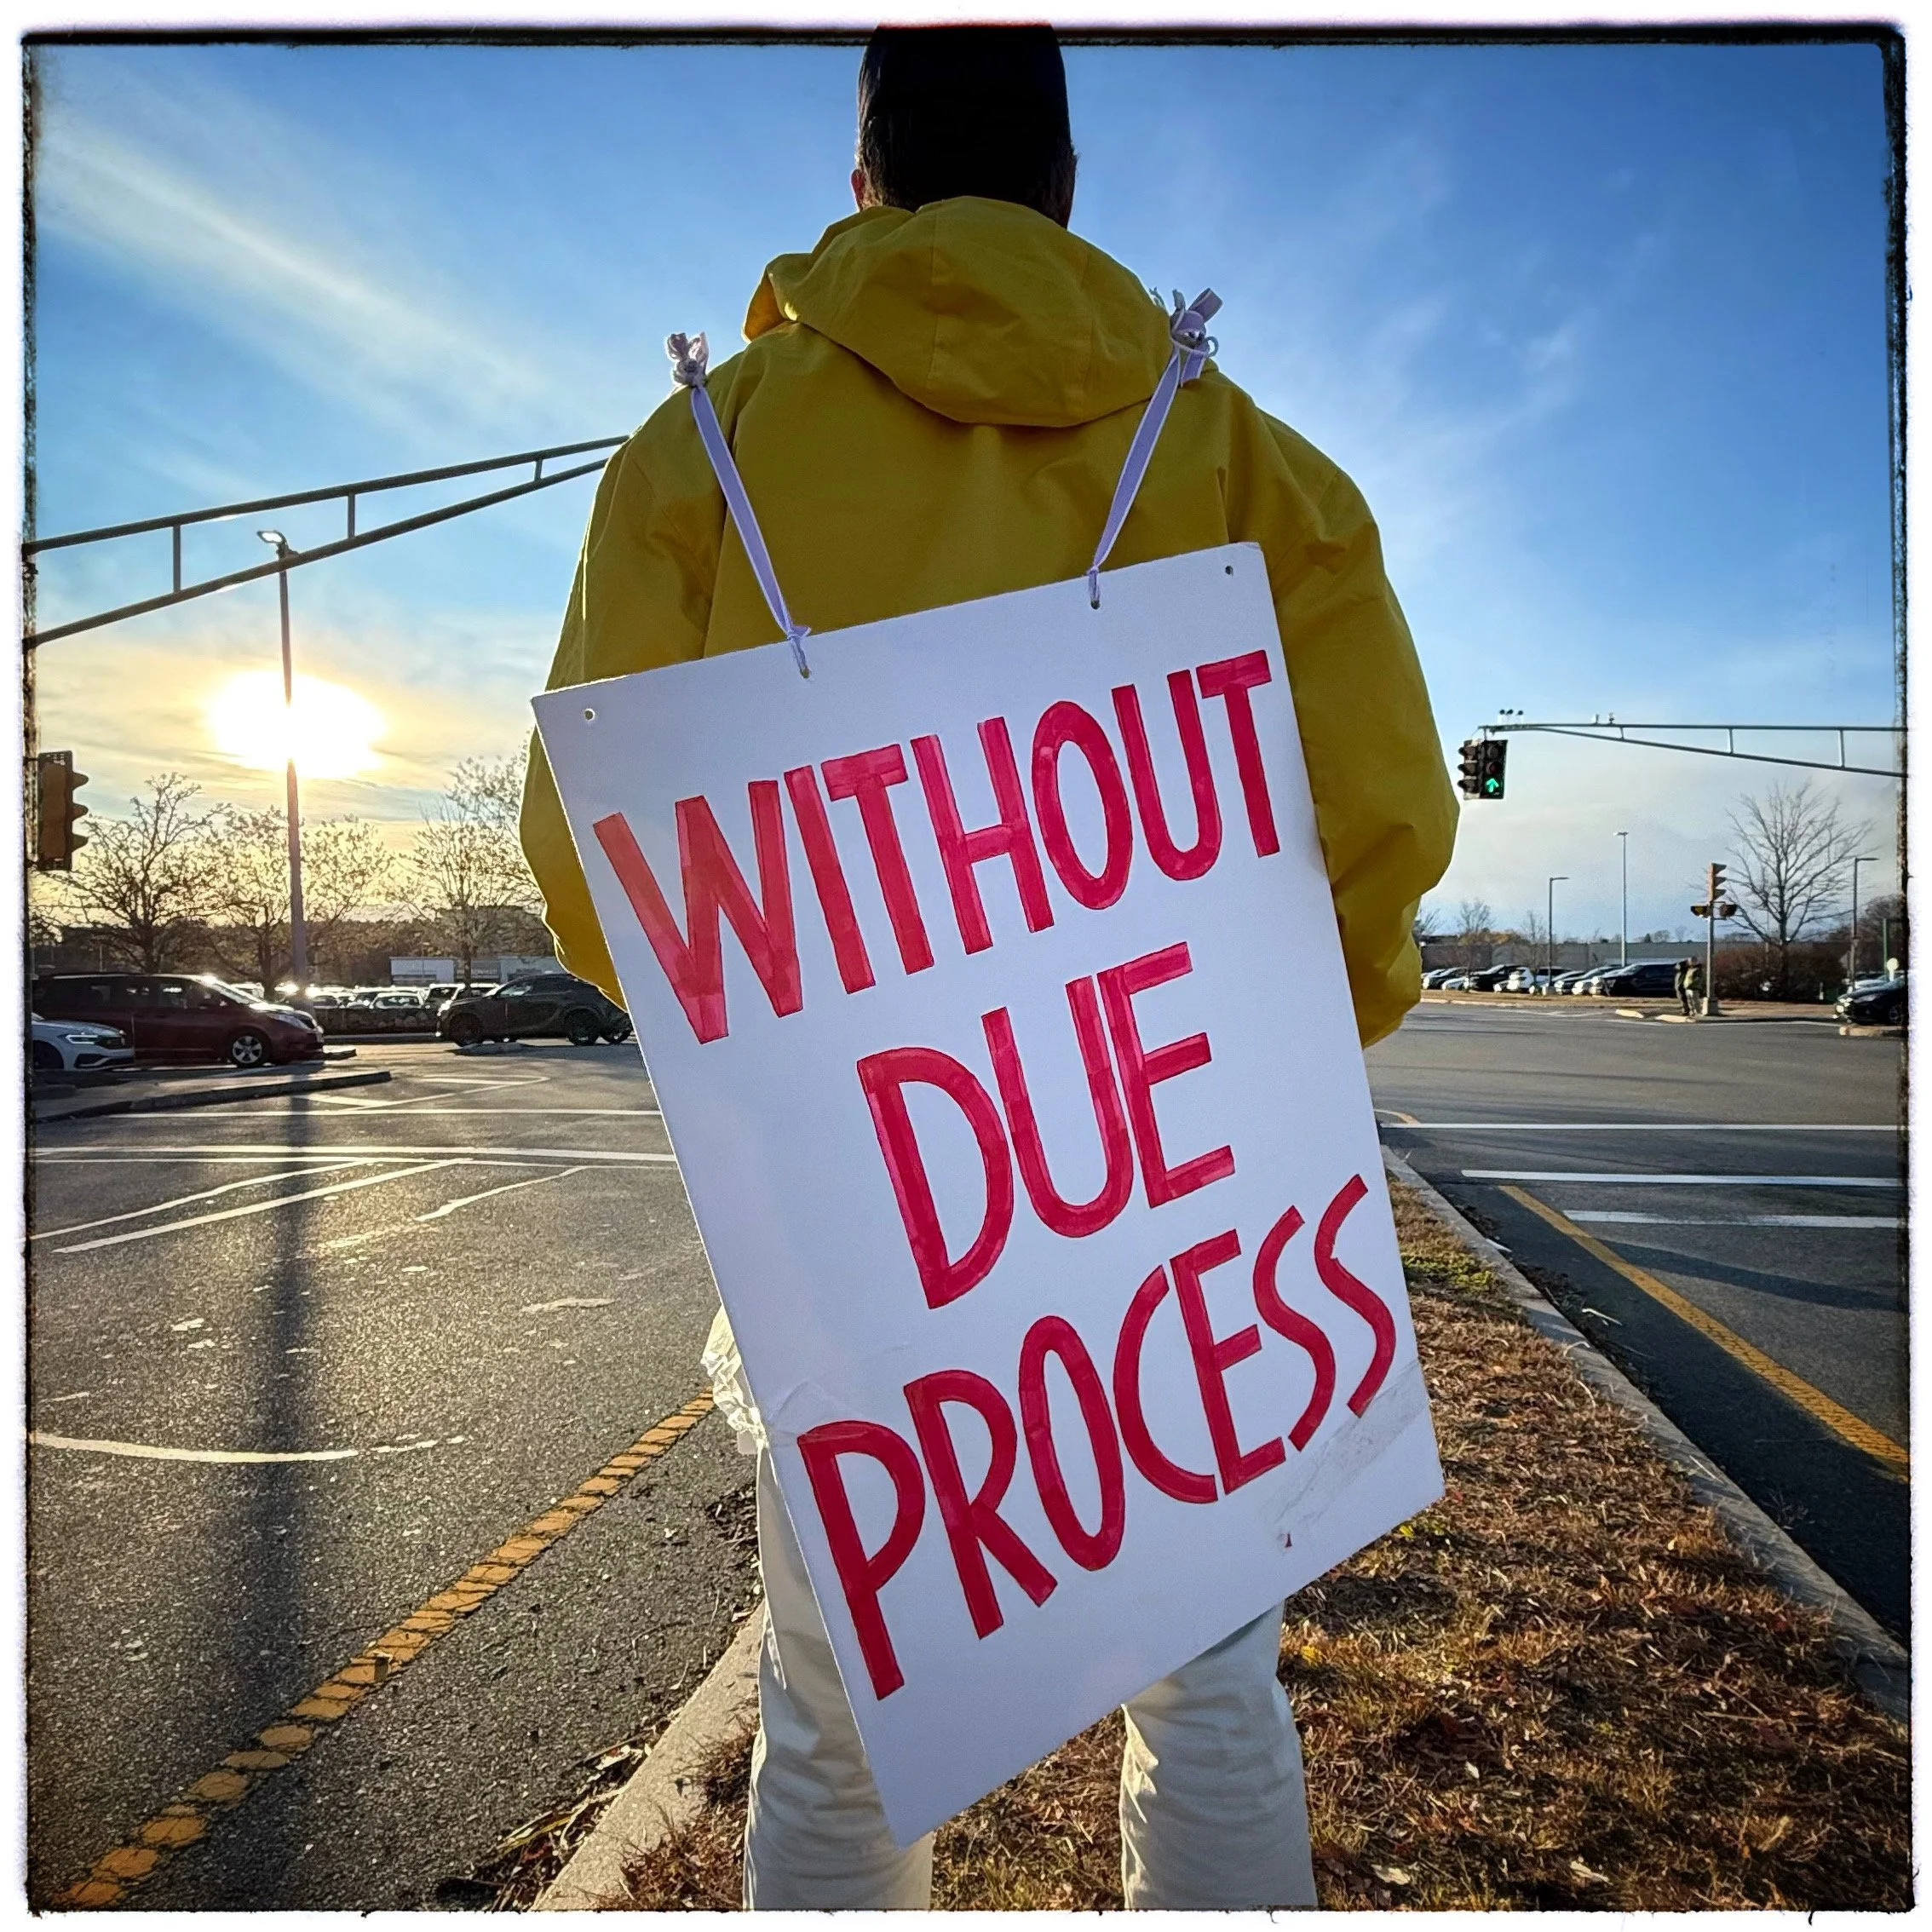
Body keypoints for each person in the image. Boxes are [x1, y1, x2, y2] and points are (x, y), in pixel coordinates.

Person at [521, 23, 1456, 1910]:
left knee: (838, 1714)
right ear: (1068, 192)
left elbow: (590, 852)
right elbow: (1380, 817)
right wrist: (1262, 1053)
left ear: (861, 183)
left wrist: (771, 1049)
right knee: (1210, 1695)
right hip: (1166, 1173)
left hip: (861, 1191)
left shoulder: (700, 460)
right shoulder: (1243, 459)